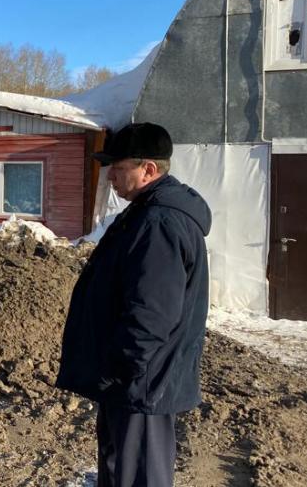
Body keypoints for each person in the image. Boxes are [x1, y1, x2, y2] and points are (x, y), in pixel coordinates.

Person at [56, 122, 212, 487]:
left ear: (149, 170)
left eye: (118, 166)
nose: (109, 175)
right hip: (133, 381)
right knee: (119, 468)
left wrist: (120, 366)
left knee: (140, 475)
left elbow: (152, 311)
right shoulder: (146, 213)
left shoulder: (159, 222)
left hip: (141, 383)